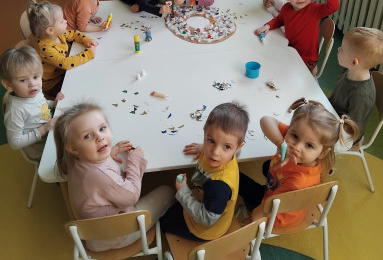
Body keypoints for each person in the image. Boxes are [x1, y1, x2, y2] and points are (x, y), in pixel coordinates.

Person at [54, 102, 175, 252]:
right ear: (73, 148)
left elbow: (97, 176)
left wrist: (108, 153)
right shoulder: (101, 176)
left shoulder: (73, 159)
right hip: (117, 237)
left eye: (102, 128)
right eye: (87, 136)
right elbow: (132, 195)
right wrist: (134, 160)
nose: (100, 138)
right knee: (168, 190)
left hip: (94, 235)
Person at [239, 98, 358, 228]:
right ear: (291, 128)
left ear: (323, 153)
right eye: (294, 136)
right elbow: (266, 120)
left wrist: (253, 220)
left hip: (275, 217)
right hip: (283, 197)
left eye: (309, 145)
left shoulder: (297, 181)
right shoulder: (301, 135)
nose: (297, 147)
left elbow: (267, 209)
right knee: (266, 166)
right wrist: (279, 142)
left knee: (238, 179)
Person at [160, 102, 249, 241]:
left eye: (226, 146)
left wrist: (183, 191)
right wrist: (203, 147)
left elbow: (207, 219)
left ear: (237, 148)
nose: (215, 153)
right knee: (174, 206)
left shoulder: (219, 187)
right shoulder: (226, 154)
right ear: (205, 132)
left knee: (164, 220)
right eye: (211, 141)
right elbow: (222, 144)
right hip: (202, 196)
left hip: (204, 229)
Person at [254, 0, 340, 74]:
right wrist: (268, 25)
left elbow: (334, 6)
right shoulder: (286, 7)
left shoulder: (314, 10)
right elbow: (279, 20)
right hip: (289, 50)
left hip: (306, 59)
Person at [329, 27, 383, 150]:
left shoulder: (362, 95)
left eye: (342, 49)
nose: (338, 49)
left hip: (346, 135)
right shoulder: (349, 70)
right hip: (333, 115)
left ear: (354, 62)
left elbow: (351, 129)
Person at [0, 46, 64, 160]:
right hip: (40, 149)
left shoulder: (33, 92)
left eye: (35, 77)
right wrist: (44, 129)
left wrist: (53, 103)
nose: (32, 84)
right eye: (23, 80)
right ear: (8, 85)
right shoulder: (15, 111)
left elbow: (41, 104)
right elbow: (15, 143)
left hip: (51, 132)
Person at [27, 0, 97, 100]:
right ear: (50, 30)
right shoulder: (46, 48)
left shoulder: (57, 34)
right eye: (61, 21)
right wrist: (87, 54)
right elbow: (65, 63)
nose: (66, 21)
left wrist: (86, 40)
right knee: (79, 90)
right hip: (53, 83)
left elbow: (73, 34)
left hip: (64, 72)